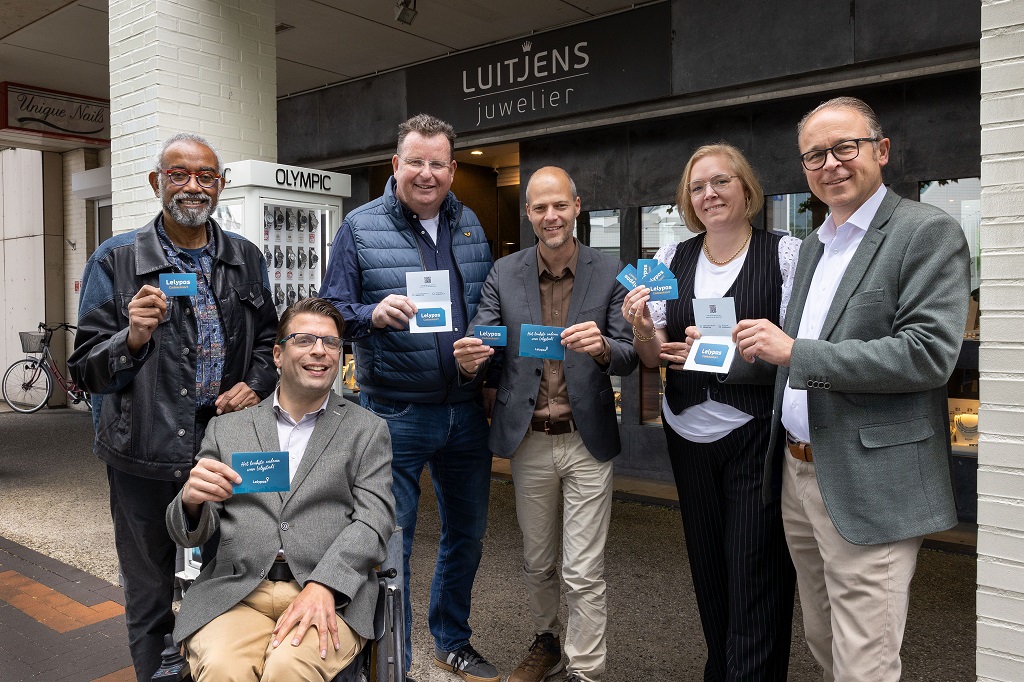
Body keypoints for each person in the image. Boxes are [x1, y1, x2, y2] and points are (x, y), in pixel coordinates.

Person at [733, 96, 971, 682]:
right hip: (796, 472)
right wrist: (732, 351)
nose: (831, 164)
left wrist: (794, 351)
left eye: (846, 147)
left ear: (881, 151)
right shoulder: (816, 243)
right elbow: (799, 354)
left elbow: (929, 354)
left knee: (864, 659)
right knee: (823, 639)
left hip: (869, 482)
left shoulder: (926, 231)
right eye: (815, 155)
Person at [69, 133, 279, 681]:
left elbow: (269, 343)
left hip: (223, 450)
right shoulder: (115, 261)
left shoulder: (244, 258)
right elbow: (83, 368)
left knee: (228, 579)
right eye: (179, 174)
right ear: (155, 183)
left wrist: (256, 381)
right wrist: (130, 340)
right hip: (143, 453)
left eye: (205, 175)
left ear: (221, 184)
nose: (193, 185)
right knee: (149, 592)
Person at [320, 113, 496, 682]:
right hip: (392, 413)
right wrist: (370, 314)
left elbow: (487, 307)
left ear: (452, 168)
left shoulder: (468, 224)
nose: (426, 173)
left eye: (438, 163)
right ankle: (394, 660)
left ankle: (453, 640)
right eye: (414, 162)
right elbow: (330, 312)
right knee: (390, 541)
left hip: (464, 412)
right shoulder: (359, 227)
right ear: (396, 165)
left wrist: (483, 352)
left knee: (466, 534)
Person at [453, 166, 638, 682]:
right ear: (528, 212)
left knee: (582, 570)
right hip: (528, 438)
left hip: (586, 440)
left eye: (560, 205)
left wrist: (603, 347)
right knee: (538, 563)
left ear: (577, 206)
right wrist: (470, 359)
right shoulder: (504, 272)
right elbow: (482, 338)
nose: (550, 216)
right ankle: (548, 640)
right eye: (539, 207)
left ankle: (585, 669)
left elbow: (628, 353)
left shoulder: (609, 272)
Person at [622, 144, 797, 681]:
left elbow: (797, 349)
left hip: (754, 431)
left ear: (747, 190)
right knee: (708, 566)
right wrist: (642, 329)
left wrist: (739, 348)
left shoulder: (785, 252)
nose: (710, 194)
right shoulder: (671, 258)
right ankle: (720, 668)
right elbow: (653, 358)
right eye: (698, 187)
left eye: (722, 182)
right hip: (686, 427)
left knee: (756, 568)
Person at [166, 298, 396, 681]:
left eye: (331, 343)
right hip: (237, 591)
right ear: (277, 353)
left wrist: (327, 584)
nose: (320, 351)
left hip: (327, 594)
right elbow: (192, 530)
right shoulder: (228, 429)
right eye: (304, 340)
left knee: (287, 670)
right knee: (223, 668)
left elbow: (376, 520)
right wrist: (191, 502)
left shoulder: (366, 430)